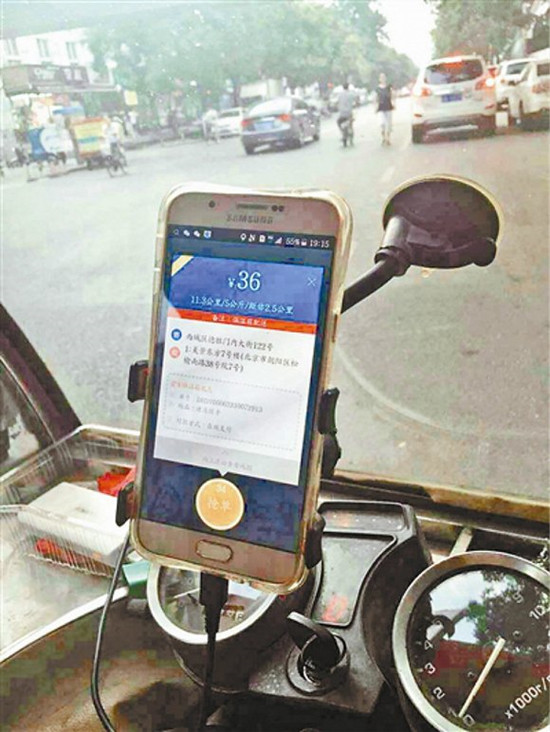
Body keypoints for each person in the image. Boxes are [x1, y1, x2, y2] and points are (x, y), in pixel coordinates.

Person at [375, 73, 394, 145]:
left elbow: (392, 95)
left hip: (388, 107)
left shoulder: (389, 87)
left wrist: (394, 103)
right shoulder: (377, 89)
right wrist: (375, 107)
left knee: (389, 125)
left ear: (385, 78)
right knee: (382, 123)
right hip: (381, 108)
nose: (382, 79)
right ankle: (383, 137)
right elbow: (376, 98)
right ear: (379, 79)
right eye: (381, 77)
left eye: (384, 77)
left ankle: (388, 138)